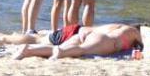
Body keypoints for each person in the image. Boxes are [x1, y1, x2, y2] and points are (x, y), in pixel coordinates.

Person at [12, 23, 141, 60]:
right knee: (80, 50)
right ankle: (29, 50)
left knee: (61, 48)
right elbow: (148, 47)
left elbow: (91, 29)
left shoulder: (118, 26)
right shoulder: (135, 33)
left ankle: (28, 49)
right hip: (105, 40)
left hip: (86, 33)